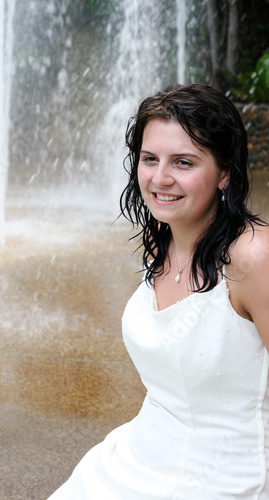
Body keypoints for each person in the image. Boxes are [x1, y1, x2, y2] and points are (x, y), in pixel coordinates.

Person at [47, 84, 269, 499]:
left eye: (183, 162)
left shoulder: (253, 258)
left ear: (224, 173)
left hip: (223, 478)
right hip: (138, 456)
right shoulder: (163, 240)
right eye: (150, 159)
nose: (160, 178)